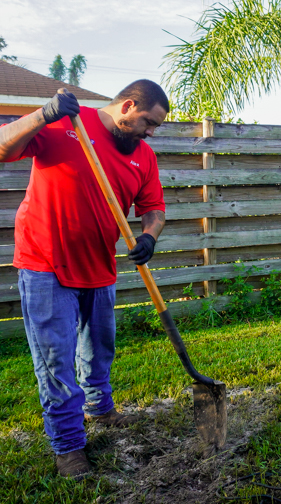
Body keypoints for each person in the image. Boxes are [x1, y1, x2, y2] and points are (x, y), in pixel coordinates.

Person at [0, 79, 169, 478]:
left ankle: (100, 408)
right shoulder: (66, 124)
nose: (151, 133)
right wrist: (43, 114)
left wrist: (149, 235)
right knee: (56, 361)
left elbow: (154, 207)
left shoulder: (143, 156)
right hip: (45, 264)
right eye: (149, 122)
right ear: (128, 106)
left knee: (98, 349)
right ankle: (69, 447)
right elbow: (2, 146)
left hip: (99, 264)